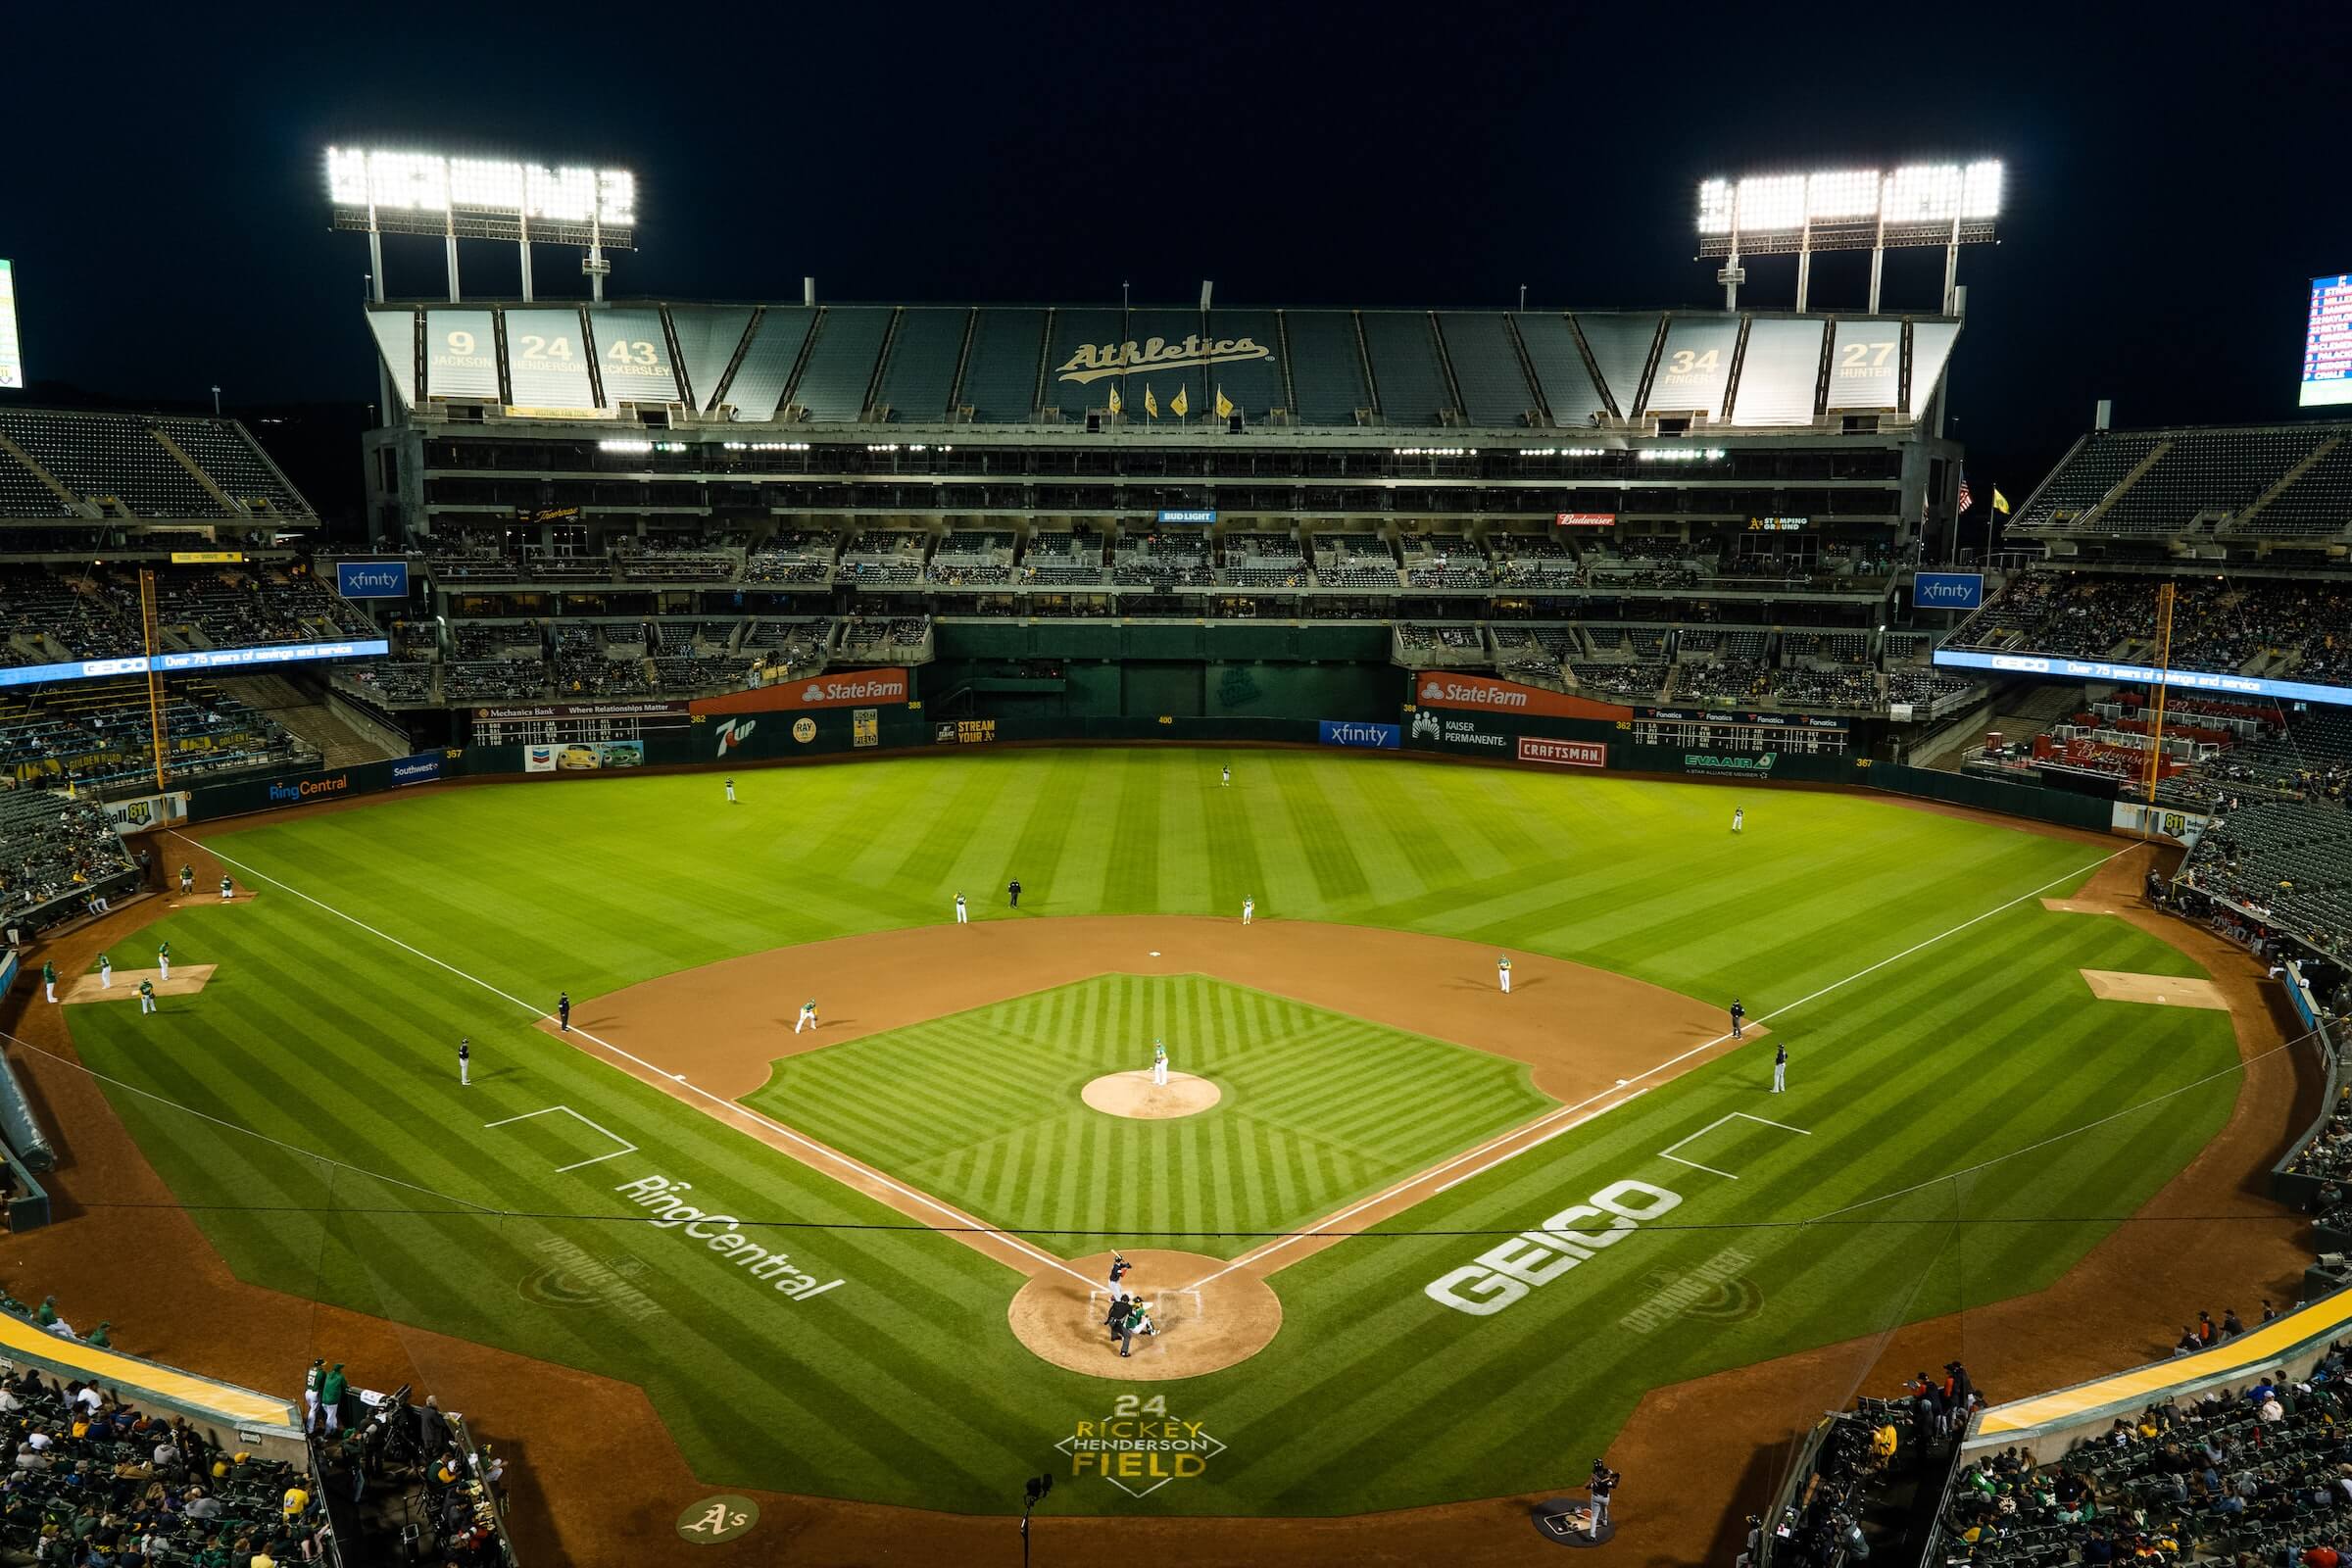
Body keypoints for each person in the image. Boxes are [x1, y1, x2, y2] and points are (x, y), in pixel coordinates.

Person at [1589, 1461, 1620, 1536]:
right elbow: (1614, 1485)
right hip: (1605, 1499)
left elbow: (1602, 1472)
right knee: (1604, 1508)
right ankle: (1605, 1521)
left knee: (1594, 1516)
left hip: (1595, 1498)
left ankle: (1592, 1535)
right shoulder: (1606, 1479)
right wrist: (1617, 1477)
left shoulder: (1593, 1473)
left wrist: (1610, 1473)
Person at [319, 1363, 346, 1433]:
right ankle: (327, 1432)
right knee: (330, 1417)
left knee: (332, 1415)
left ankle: (334, 1428)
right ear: (339, 1370)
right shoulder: (340, 1377)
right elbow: (345, 1386)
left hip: (324, 1400)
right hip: (332, 1401)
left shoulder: (328, 1375)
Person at [303, 1359, 323, 1429]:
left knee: (312, 1408)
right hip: (314, 1393)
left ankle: (312, 1423)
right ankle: (310, 1429)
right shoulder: (321, 1372)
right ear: (320, 1365)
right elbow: (322, 1384)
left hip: (307, 1392)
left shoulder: (310, 1369)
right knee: (313, 1411)